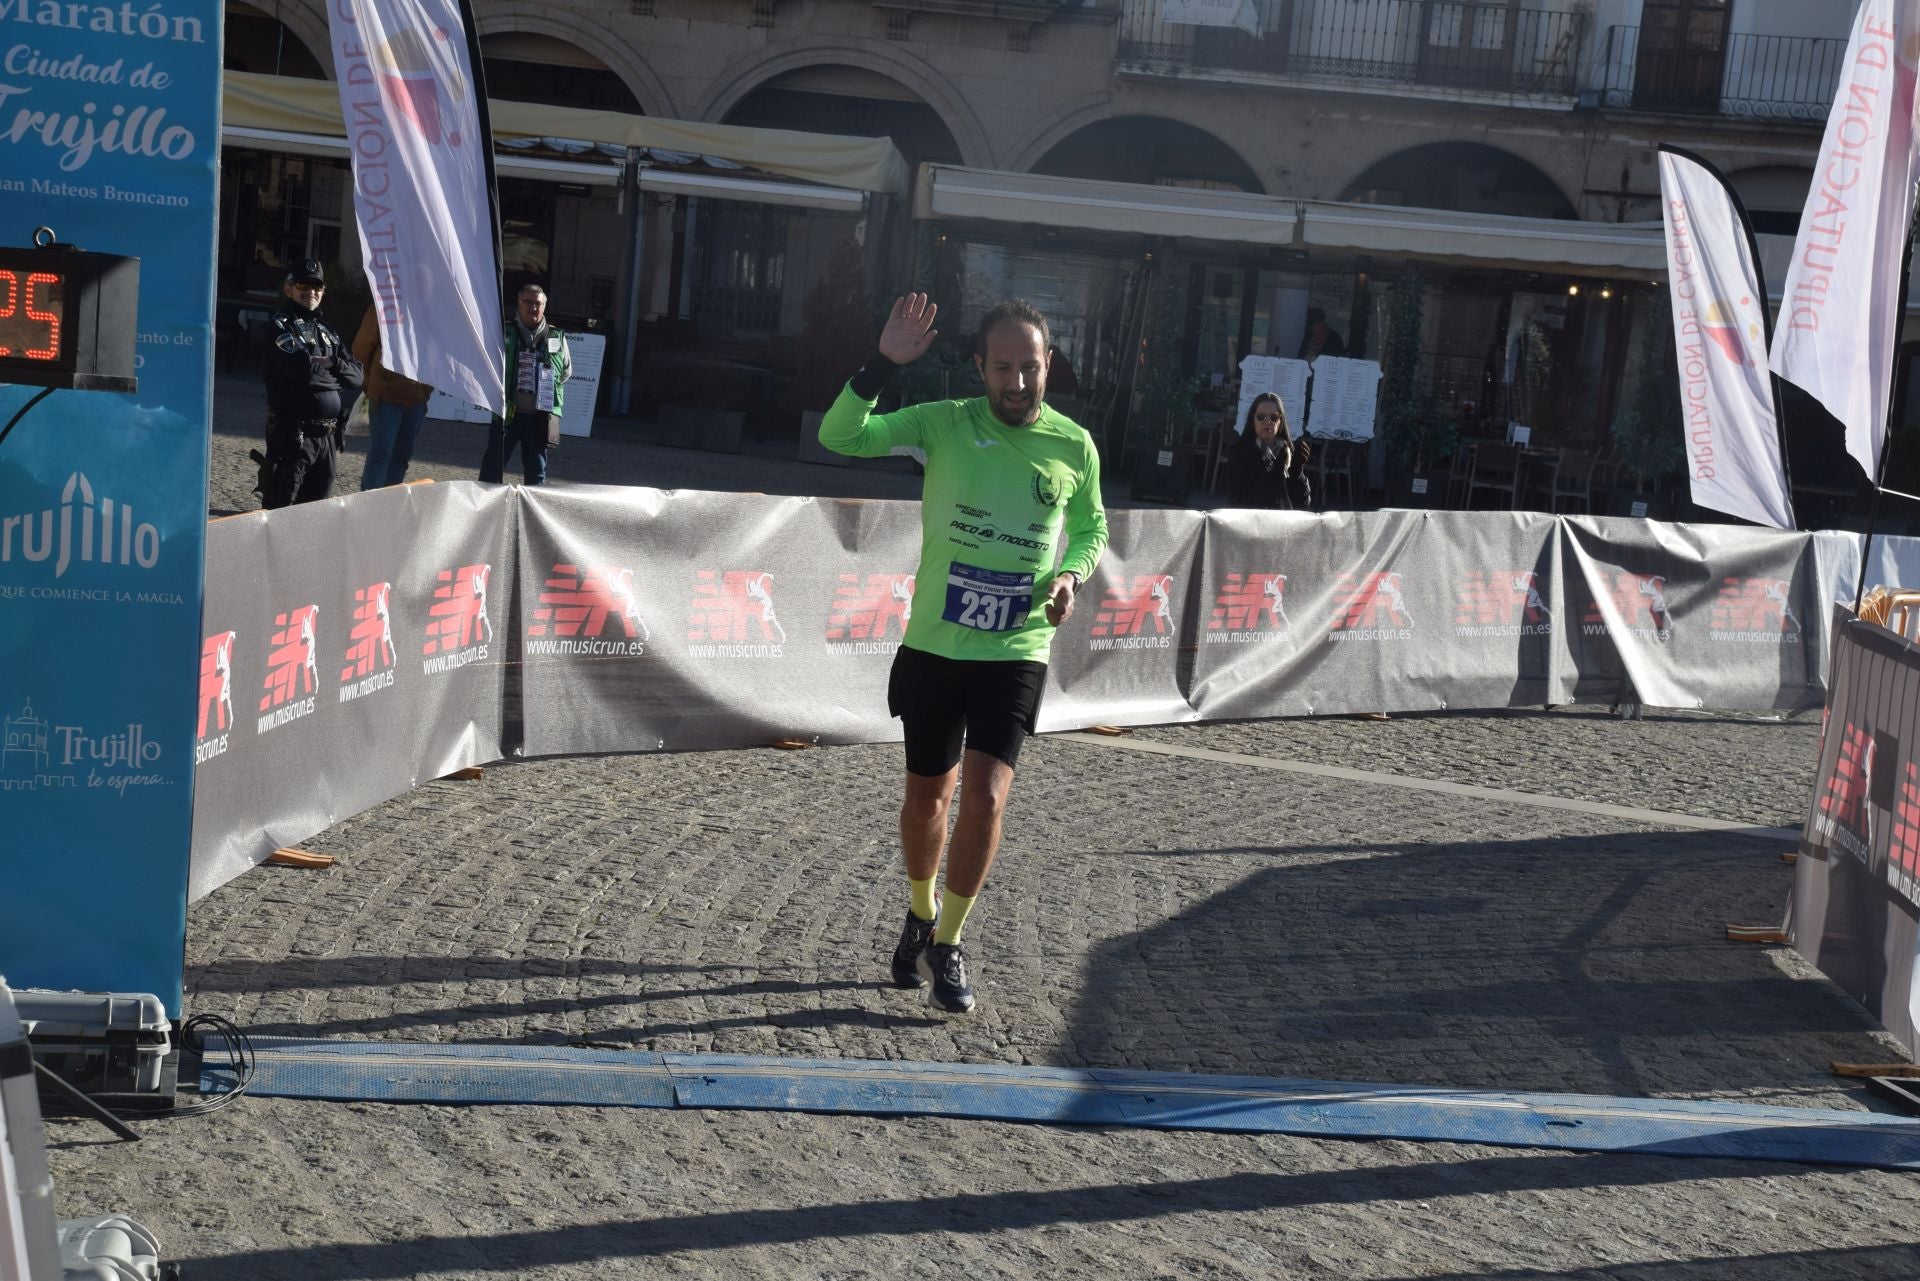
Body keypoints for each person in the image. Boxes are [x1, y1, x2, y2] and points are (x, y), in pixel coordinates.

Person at [818, 296, 1108, 1015]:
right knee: (928, 799)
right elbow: (840, 434)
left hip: (1017, 645)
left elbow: (1092, 525)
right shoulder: (943, 422)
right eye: (1003, 367)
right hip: (936, 645)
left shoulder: (1074, 445)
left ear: (1051, 366)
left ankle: (949, 939)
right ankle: (918, 909)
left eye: (1031, 368)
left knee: (986, 795)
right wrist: (882, 362)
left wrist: (1071, 574)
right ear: (979, 366)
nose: (1017, 383)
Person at [255, 258, 363, 509]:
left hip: (327, 439)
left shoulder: (328, 332)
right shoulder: (279, 328)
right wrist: (337, 378)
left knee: (315, 514)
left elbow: (358, 376)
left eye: (317, 287)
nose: (311, 292)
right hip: (294, 437)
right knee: (282, 511)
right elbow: (306, 374)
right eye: (304, 285)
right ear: (288, 288)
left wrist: (331, 363)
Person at [479, 283, 571, 485]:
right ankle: (486, 511)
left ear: (544, 306)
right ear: (518, 303)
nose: (533, 308)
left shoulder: (556, 336)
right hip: (507, 415)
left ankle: (531, 514)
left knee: (536, 475)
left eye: (538, 303)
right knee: (491, 471)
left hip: (540, 418)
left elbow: (565, 372)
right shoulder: (504, 332)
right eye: (527, 302)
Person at [351, 305, 435, 491]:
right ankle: (369, 505)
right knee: (381, 455)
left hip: (417, 399)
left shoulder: (434, 307)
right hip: (386, 396)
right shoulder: (386, 298)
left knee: (401, 458)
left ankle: (390, 508)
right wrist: (371, 385)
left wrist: (426, 390)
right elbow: (361, 348)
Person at [1225, 393, 1311, 510]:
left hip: (1285, 524)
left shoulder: (1288, 452)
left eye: (1274, 417)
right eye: (1261, 417)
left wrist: (1297, 471)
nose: (1268, 421)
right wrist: (1277, 471)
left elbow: (1303, 504)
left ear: (1280, 421)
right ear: (1253, 420)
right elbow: (1242, 503)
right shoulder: (1240, 452)